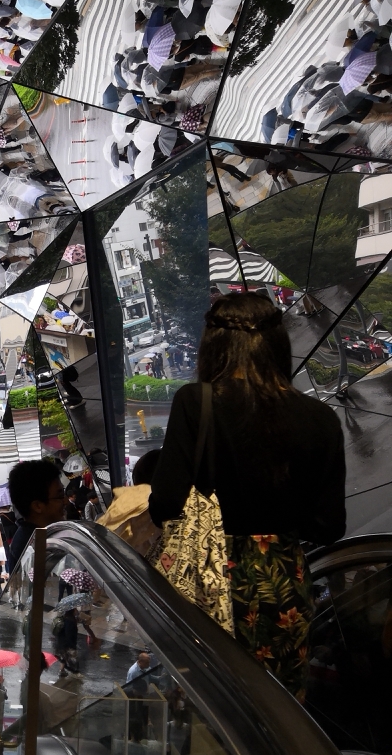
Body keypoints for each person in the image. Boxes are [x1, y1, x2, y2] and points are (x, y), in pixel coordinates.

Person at [148, 294, 346, 700]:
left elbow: (166, 503)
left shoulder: (196, 402)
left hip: (209, 579)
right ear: (277, 345)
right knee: (278, 710)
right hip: (282, 585)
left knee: (212, 705)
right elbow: (329, 528)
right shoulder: (321, 419)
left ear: (213, 345)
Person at [5, 460, 66, 573]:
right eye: (60, 496)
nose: (65, 501)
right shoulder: (34, 547)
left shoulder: (32, 535)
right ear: (37, 506)